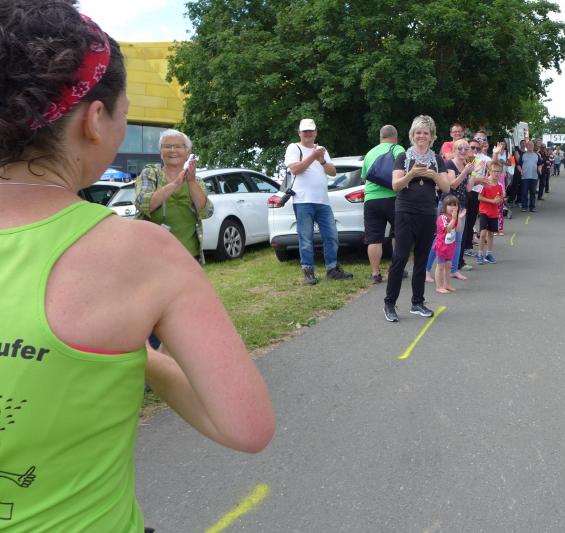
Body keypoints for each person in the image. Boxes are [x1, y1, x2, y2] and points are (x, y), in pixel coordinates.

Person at [0, 2, 274, 530]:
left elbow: (204, 210)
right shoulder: (139, 254)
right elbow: (247, 426)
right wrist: (137, 355)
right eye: (125, 115)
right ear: (94, 120)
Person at [383, 115, 450, 322]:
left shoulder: (437, 159)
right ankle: (389, 303)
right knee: (400, 257)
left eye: (426, 133)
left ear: (432, 136)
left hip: (427, 213)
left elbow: (447, 188)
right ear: (413, 134)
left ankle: (417, 302)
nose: (422, 136)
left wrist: (434, 176)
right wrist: (411, 174)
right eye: (418, 132)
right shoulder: (403, 156)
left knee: (421, 259)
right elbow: (396, 186)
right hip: (405, 212)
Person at [285, 118, 353, 284]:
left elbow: (332, 172)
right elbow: (295, 169)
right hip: (303, 200)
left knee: (332, 236)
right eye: (305, 131)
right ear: (299, 133)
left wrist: (321, 159)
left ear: (315, 133)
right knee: (305, 238)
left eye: (311, 131)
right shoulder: (294, 148)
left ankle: (332, 268)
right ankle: (308, 271)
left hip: (323, 201)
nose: (308, 134)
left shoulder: (321, 150)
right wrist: (313, 156)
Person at [135, 129, 213, 263]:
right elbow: (142, 203)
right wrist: (175, 184)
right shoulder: (150, 173)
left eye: (178, 146)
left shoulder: (196, 180)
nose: (172, 150)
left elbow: (206, 211)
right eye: (167, 146)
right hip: (153, 255)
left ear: (187, 152)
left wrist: (191, 182)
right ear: (161, 152)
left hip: (189, 255)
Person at [426, 138, 474, 281]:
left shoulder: (466, 165)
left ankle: (453, 270)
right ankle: (426, 270)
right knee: (440, 239)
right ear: (453, 150)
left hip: (460, 208)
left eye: (466, 148)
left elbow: (468, 188)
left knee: (457, 241)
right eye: (460, 148)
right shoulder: (449, 164)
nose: (463, 151)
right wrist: (465, 172)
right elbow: (452, 184)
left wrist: (474, 173)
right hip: (447, 207)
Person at [361, 125, 405, 284]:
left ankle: (375, 273)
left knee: (374, 238)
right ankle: (398, 269)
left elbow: (364, 176)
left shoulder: (369, 153)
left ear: (380, 137)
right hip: (393, 198)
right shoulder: (398, 149)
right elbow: (403, 169)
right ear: (395, 136)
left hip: (371, 200)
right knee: (398, 233)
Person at [477, 161, 504, 264]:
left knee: (491, 234)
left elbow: (500, 199)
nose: (496, 173)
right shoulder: (485, 184)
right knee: (483, 233)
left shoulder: (500, 186)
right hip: (484, 211)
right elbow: (479, 197)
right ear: (489, 171)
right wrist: (492, 201)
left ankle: (489, 254)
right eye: (494, 171)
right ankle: (480, 254)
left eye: (498, 171)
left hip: (494, 213)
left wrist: (499, 200)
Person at [433, 195, 460, 293]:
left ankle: (447, 284)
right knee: (440, 266)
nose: (452, 207)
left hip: (450, 246)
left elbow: (458, 229)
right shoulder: (442, 217)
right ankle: (439, 286)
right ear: (444, 207)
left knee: (448, 265)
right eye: (450, 205)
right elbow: (447, 229)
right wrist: (453, 219)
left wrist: (457, 218)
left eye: (455, 205)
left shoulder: (454, 217)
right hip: (442, 246)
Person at [520, 140, 541, 212]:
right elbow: (519, 165)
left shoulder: (537, 155)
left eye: (532, 145)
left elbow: (540, 164)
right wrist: (521, 170)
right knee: (524, 192)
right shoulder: (523, 155)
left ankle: (532, 207)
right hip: (525, 177)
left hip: (534, 177)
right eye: (529, 145)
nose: (531, 146)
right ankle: (524, 207)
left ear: (533, 146)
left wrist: (540, 169)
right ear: (526, 146)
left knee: (533, 192)